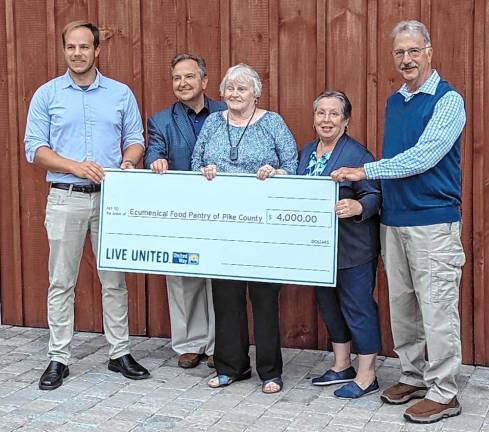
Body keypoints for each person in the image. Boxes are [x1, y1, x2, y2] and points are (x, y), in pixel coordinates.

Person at [331, 20, 466, 423]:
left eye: (413, 51)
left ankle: (445, 392)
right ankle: (413, 374)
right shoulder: (396, 100)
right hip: (395, 220)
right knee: (403, 306)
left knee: (437, 308)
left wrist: (365, 171)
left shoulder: (447, 100)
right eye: (399, 52)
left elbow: (425, 157)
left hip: (432, 222)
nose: (406, 59)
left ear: (429, 52)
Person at [24, 20, 150, 390]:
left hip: (112, 199)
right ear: (64, 50)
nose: (77, 53)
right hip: (66, 197)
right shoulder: (47, 95)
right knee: (61, 281)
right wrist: (75, 166)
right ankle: (58, 357)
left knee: (114, 279)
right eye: (71, 47)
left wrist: (128, 162)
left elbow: (136, 139)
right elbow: (36, 149)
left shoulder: (120, 93)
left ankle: (119, 352)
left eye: (84, 47)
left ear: (97, 50)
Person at [191, 63, 297, 393]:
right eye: (230, 89)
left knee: (264, 298)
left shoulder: (273, 123)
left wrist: (276, 172)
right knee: (225, 297)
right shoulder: (212, 122)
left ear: (256, 93)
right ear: (222, 93)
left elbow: (291, 163)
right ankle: (231, 366)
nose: (235, 94)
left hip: (263, 226)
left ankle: (270, 371)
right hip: (222, 224)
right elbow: (196, 162)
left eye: (242, 88)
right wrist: (205, 170)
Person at [298, 91, 382, 399]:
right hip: (318, 249)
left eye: (334, 114)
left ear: (345, 120)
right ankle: (342, 364)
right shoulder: (306, 151)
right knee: (329, 306)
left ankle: (367, 374)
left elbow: (374, 195)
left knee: (357, 307)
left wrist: (358, 208)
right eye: (321, 113)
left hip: (353, 248)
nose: (326, 120)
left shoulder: (359, 154)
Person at [144, 53, 225, 369]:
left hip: (221, 209)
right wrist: (156, 161)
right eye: (177, 78)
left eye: (189, 77)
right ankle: (190, 343)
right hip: (181, 209)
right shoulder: (161, 120)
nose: (182, 83)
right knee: (182, 275)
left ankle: (222, 343)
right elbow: (154, 150)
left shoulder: (225, 112)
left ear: (204, 81)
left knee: (220, 278)